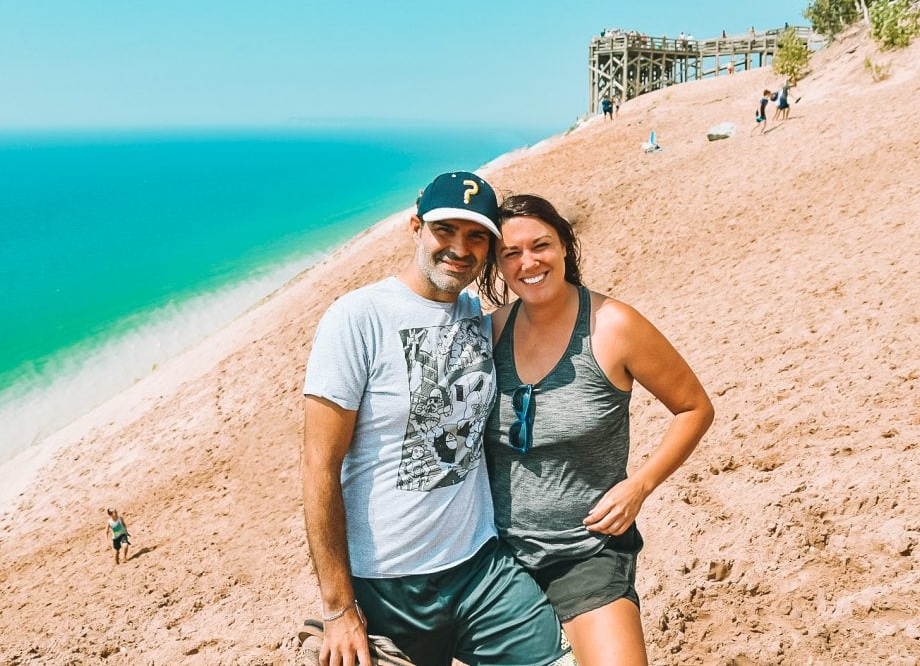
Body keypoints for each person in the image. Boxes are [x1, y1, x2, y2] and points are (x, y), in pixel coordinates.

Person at [302, 172, 570, 666]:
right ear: (415, 226)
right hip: (386, 585)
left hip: (481, 568)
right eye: (445, 230)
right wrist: (339, 608)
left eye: (476, 237)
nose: (459, 248)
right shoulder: (357, 317)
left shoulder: (475, 313)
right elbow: (319, 464)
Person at [477, 195, 714, 666]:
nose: (529, 262)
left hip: (587, 551)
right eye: (511, 254)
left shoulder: (613, 325)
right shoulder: (490, 331)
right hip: (497, 559)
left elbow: (694, 408)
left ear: (565, 243)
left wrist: (639, 485)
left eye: (541, 245)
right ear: (498, 265)